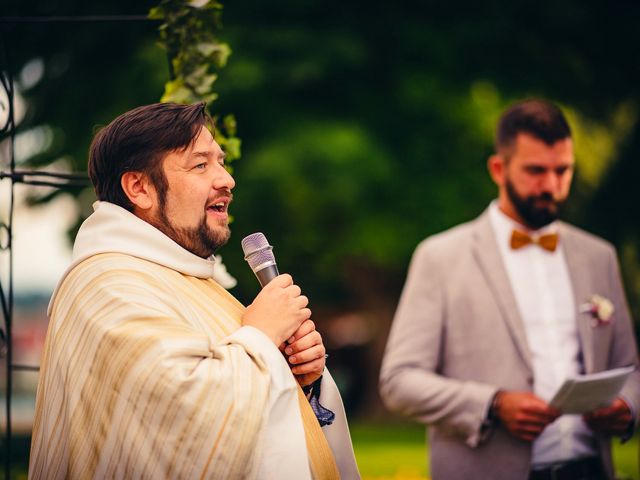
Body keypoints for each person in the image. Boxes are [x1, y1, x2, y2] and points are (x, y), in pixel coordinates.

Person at [29, 102, 360, 480]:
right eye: (200, 165)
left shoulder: (185, 278)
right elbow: (181, 417)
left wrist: (299, 376)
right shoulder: (106, 284)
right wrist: (262, 335)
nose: (226, 179)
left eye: (220, 162)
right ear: (139, 187)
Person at [379, 99, 640, 480]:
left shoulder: (599, 256)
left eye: (562, 171)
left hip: (591, 469)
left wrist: (626, 406)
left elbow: (631, 369)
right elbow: (399, 381)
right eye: (536, 171)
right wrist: (493, 404)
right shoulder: (440, 257)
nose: (551, 185)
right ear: (498, 169)